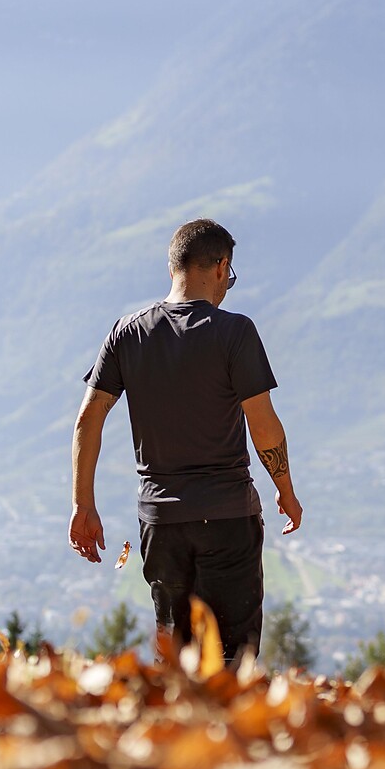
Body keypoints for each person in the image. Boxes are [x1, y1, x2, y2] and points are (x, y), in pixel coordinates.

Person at [69, 218, 301, 664]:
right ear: (220, 267)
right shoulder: (235, 332)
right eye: (228, 278)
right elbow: (264, 426)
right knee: (232, 656)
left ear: (172, 268)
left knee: (175, 657)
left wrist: (83, 504)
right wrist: (285, 492)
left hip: (161, 523)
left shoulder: (127, 332)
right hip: (228, 516)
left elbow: (88, 418)